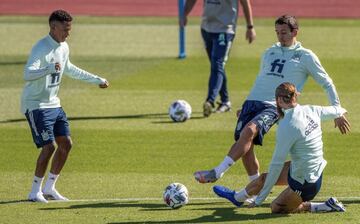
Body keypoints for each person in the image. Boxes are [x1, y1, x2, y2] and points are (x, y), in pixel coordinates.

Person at [193, 15, 350, 201]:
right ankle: (254, 190)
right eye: (277, 32)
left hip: (272, 105)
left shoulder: (306, 56)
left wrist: (337, 110)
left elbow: (327, 83)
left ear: (295, 32)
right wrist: (246, 104)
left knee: (249, 131)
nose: (280, 36)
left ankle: (217, 171)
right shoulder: (269, 52)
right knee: (246, 146)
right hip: (252, 102)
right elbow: (262, 79)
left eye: (284, 32)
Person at [213, 82, 350, 213]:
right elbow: (337, 109)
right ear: (295, 96)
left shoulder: (287, 127)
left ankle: (324, 206)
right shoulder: (312, 110)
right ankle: (237, 198)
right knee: (263, 179)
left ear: (278, 100)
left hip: (305, 183)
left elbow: (276, 165)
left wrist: (260, 200)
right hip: (307, 169)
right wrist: (339, 114)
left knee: (276, 208)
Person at [21, 9, 109, 203]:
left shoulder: (63, 46)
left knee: (66, 144)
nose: (68, 34)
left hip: (54, 103)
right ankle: (34, 192)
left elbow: (69, 69)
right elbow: (27, 74)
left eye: (69, 30)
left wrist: (97, 80)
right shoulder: (41, 48)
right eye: (64, 30)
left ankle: (50, 188)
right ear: (53, 27)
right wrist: (48, 68)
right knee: (49, 146)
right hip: (36, 105)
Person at [182, 0, 256, 117]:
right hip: (206, 28)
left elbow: (245, 3)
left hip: (224, 30)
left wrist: (250, 27)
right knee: (217, 66)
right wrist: (184, 14)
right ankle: (225, 102)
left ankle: (210, 101)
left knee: (217, 64)